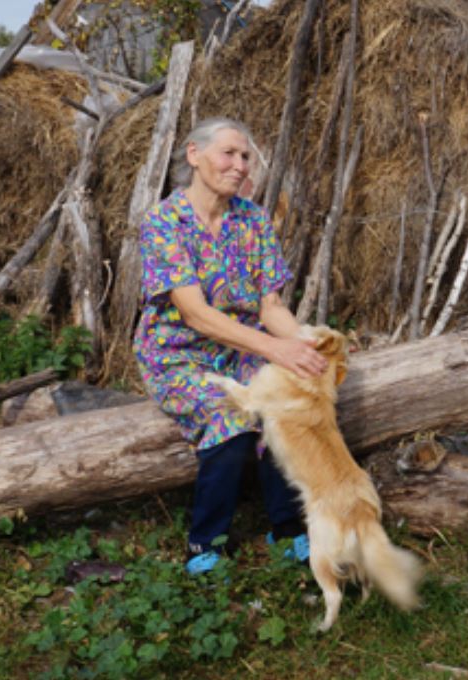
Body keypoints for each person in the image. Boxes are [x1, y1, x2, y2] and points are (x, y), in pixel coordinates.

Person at [133, 117, 328, 574]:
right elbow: (196, 315)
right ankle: (206, 546)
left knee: (285, 404)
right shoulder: (165, 222)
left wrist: (306, 345)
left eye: (245, 157)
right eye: (229, 154)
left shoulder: (252, 219)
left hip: (241, 347)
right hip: (178, 353)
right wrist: (274, 350)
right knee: (232, 415)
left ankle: (287, 530)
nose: (240, 165)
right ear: (194, 155)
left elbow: (271, 305)